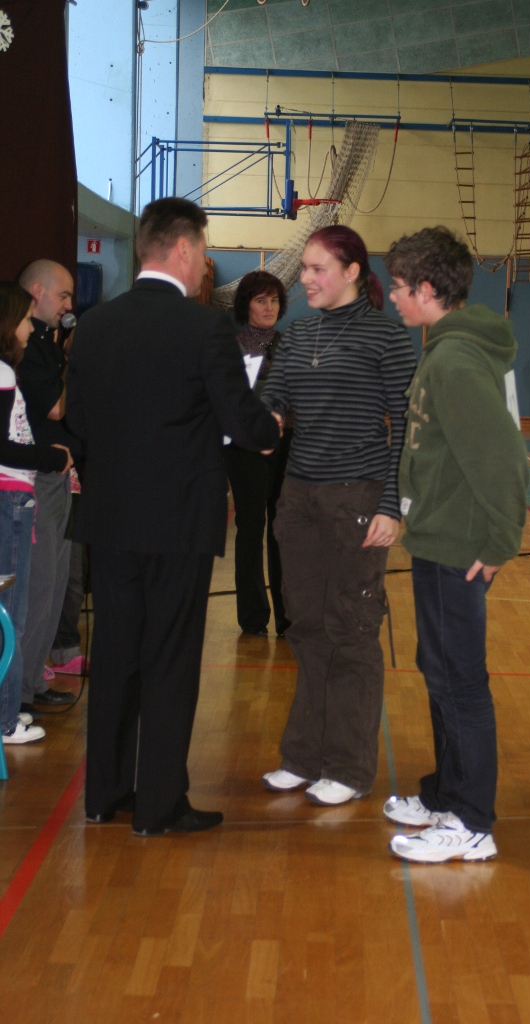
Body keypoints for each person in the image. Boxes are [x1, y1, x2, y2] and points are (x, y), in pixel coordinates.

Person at [65, 197, 280, 836]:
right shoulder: (204, 328)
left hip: (110, 518)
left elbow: (80, 421)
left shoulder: (95, 325)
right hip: (177, 519)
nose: (204, 262)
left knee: (115, 654)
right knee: (169, 658)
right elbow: (240, 419)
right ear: (184, 248)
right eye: (203, 250)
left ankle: (104, 795)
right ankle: (158, 805)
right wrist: (269, 427)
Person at [381, 226, 529, 863]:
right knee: (439, 670)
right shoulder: (444, 348)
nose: (392, 296)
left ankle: (471, 820)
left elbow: (504, 459)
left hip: (460, 544)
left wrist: (499, 542)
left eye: (397, 286)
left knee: (460, 681)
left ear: (425, 289)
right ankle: (446, 794)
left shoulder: (455, 360)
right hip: (437, 537)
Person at [260, 225, 416, 806]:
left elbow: (407, 426)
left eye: (316, 268)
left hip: (358, 497)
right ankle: (303, 757)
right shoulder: (299, 334)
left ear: (352, 271)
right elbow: (273, 396)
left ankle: (348, 767)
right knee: (305, 626)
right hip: (299, 497)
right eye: (303, 268)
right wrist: (266, 417)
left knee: (350, 629)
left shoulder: (386, 336)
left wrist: (391, 505)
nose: (304, 279)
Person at [0, 282, 72, 746]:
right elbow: (5, 446)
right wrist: (49, 456)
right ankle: (7, 718)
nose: (30, 328)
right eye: (25, 319)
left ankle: (9, 711)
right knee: (12, 615)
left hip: (16, 496)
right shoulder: (4, 373)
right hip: (10, 497)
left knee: (16, 613)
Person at [16, 260, 79, 715]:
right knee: (38, 586)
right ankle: (17, 693)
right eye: (63, 296)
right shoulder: (29, 350)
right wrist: (79, 364)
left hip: (58, 475)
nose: (69, 306)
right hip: (33, 479)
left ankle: (34, 680)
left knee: (56, 584)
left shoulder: (48, 344)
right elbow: (55, 407)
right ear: (37, 291)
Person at [225, 270, 291, 637]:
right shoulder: (231, 347)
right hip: (246, 447)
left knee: (283, 528)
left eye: (274, 300)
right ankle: (252, 617)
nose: (269, 307)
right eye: (260, 300)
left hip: (287, 443)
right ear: (245, 305)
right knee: (251, 527)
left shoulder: (290, 345)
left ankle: (288, 616)